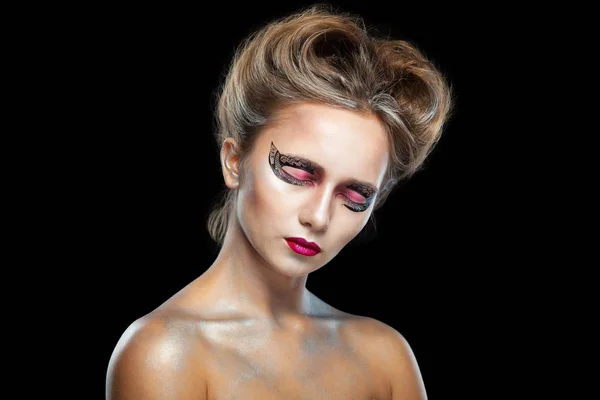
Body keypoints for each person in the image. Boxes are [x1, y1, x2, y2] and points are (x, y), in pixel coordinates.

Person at [106, 4, 452, 399]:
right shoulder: (164, 353)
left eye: (355, 195)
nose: (318, 217)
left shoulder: (385, 357)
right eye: (299, 173)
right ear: (234, 162)